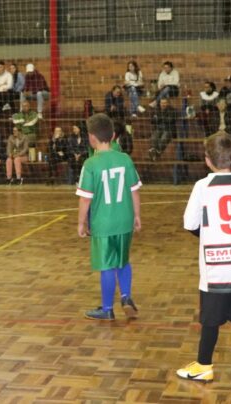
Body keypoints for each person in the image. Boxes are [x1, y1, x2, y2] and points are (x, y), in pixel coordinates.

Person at [177, 131, 231, 388]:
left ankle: (204, 366)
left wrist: (208, 234)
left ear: (207, 160)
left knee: (209, 321)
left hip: (214, 269)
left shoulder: (201, 187)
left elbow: (189, 223)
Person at [76, 113, 142, 321]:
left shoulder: (91, 164)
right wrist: (137, 215)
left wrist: (81, 222)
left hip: (103, 222)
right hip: (124, 219)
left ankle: (107, 309)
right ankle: (126, 296)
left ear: (91, 138)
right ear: (113, 135)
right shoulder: (125, 159)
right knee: (122, 259)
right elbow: (134, 191)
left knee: (106, 265)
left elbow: (85, 199)